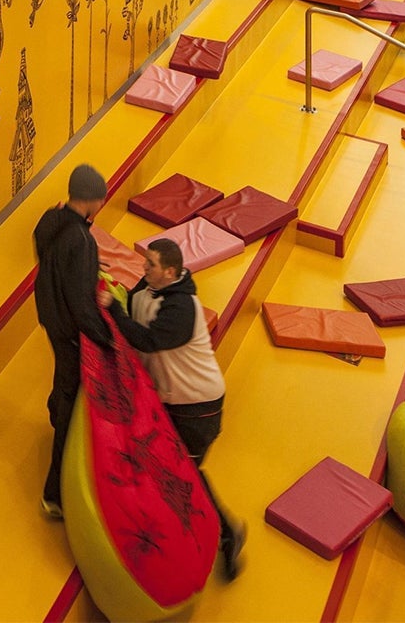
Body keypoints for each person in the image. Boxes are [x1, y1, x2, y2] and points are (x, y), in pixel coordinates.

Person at [106, 237, 248, 579]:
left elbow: (147, 340)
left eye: (151, 265)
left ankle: (227, 533)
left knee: (186, 476)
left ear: (170, 272)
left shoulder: (182, 309)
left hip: (199, 408)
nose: (144, 269)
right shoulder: (148, 286)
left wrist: (111, 308)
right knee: (164, 469)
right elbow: (131, 311)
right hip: (173, 403)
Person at [32, 162, 114, 520]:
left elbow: (53, 264)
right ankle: (55, 494)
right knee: (70, 397)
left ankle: (54, 407)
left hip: (50, 317)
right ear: (94, 202)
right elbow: (82, 305)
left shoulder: (50, 220)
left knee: (61, 378)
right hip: (68, 329)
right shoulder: (81, 241)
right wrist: (106, 337)